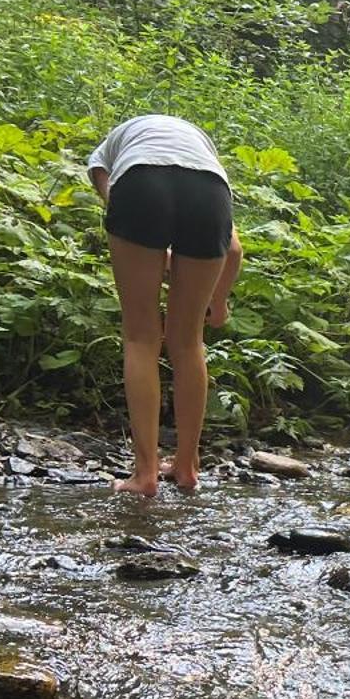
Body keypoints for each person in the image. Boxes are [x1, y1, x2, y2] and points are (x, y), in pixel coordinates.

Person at [87, 115, 244, 496]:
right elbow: (234, 249)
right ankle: (187, 467)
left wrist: (137, 223)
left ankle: (145, 476)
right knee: (188, 343)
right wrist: (219, 303)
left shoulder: (114, 149)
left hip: (139, 186)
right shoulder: (204, 159)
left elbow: (105, 183)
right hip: (208, 199)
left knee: (142, 337)